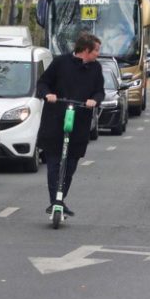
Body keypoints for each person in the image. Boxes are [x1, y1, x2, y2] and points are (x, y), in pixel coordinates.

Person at [36, 30, 105, 216]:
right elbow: (43, 83)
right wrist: (47, 95)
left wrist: (94, 100)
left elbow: (100, 91)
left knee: (71, 165)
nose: (98, 54)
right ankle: (55, 201)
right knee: (54, 163)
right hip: (55, 119)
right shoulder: (60, 63)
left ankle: (60, 198)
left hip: (80, 122)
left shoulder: (96, 69)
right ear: (86, 50)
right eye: (96, 50)